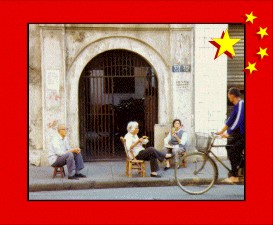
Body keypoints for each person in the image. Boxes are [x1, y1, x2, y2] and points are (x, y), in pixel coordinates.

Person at [217, 87, 244, 183]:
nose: (228, 97)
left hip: (244, 134)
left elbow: (239, 120)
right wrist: (221, 131)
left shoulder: (241, 104)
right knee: (228, 146)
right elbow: (230, 120)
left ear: (232, 95)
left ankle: (235, 175)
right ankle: (240, 167)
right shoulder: (236, 106)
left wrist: (228, 133)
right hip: (239, 134)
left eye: (228, 95)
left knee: (233, 151)